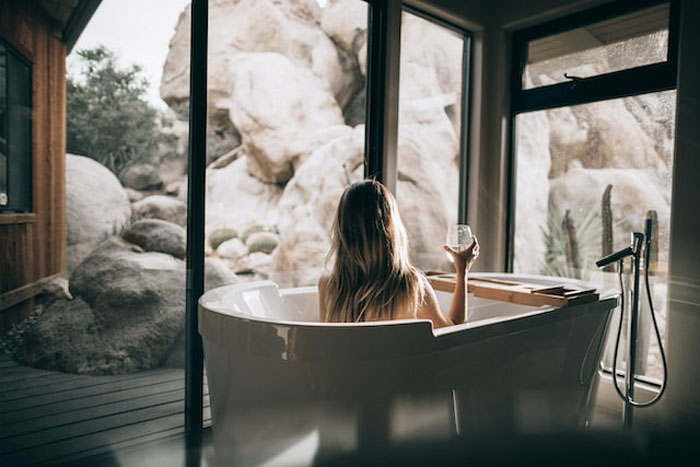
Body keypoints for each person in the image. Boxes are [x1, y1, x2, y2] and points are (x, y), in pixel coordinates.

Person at [318, 180, 479, 328]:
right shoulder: (411, 287)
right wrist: (462, 271)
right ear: (390, 226)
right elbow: (452, 335)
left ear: (342, 230)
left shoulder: (328, 285)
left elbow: (329, 345)